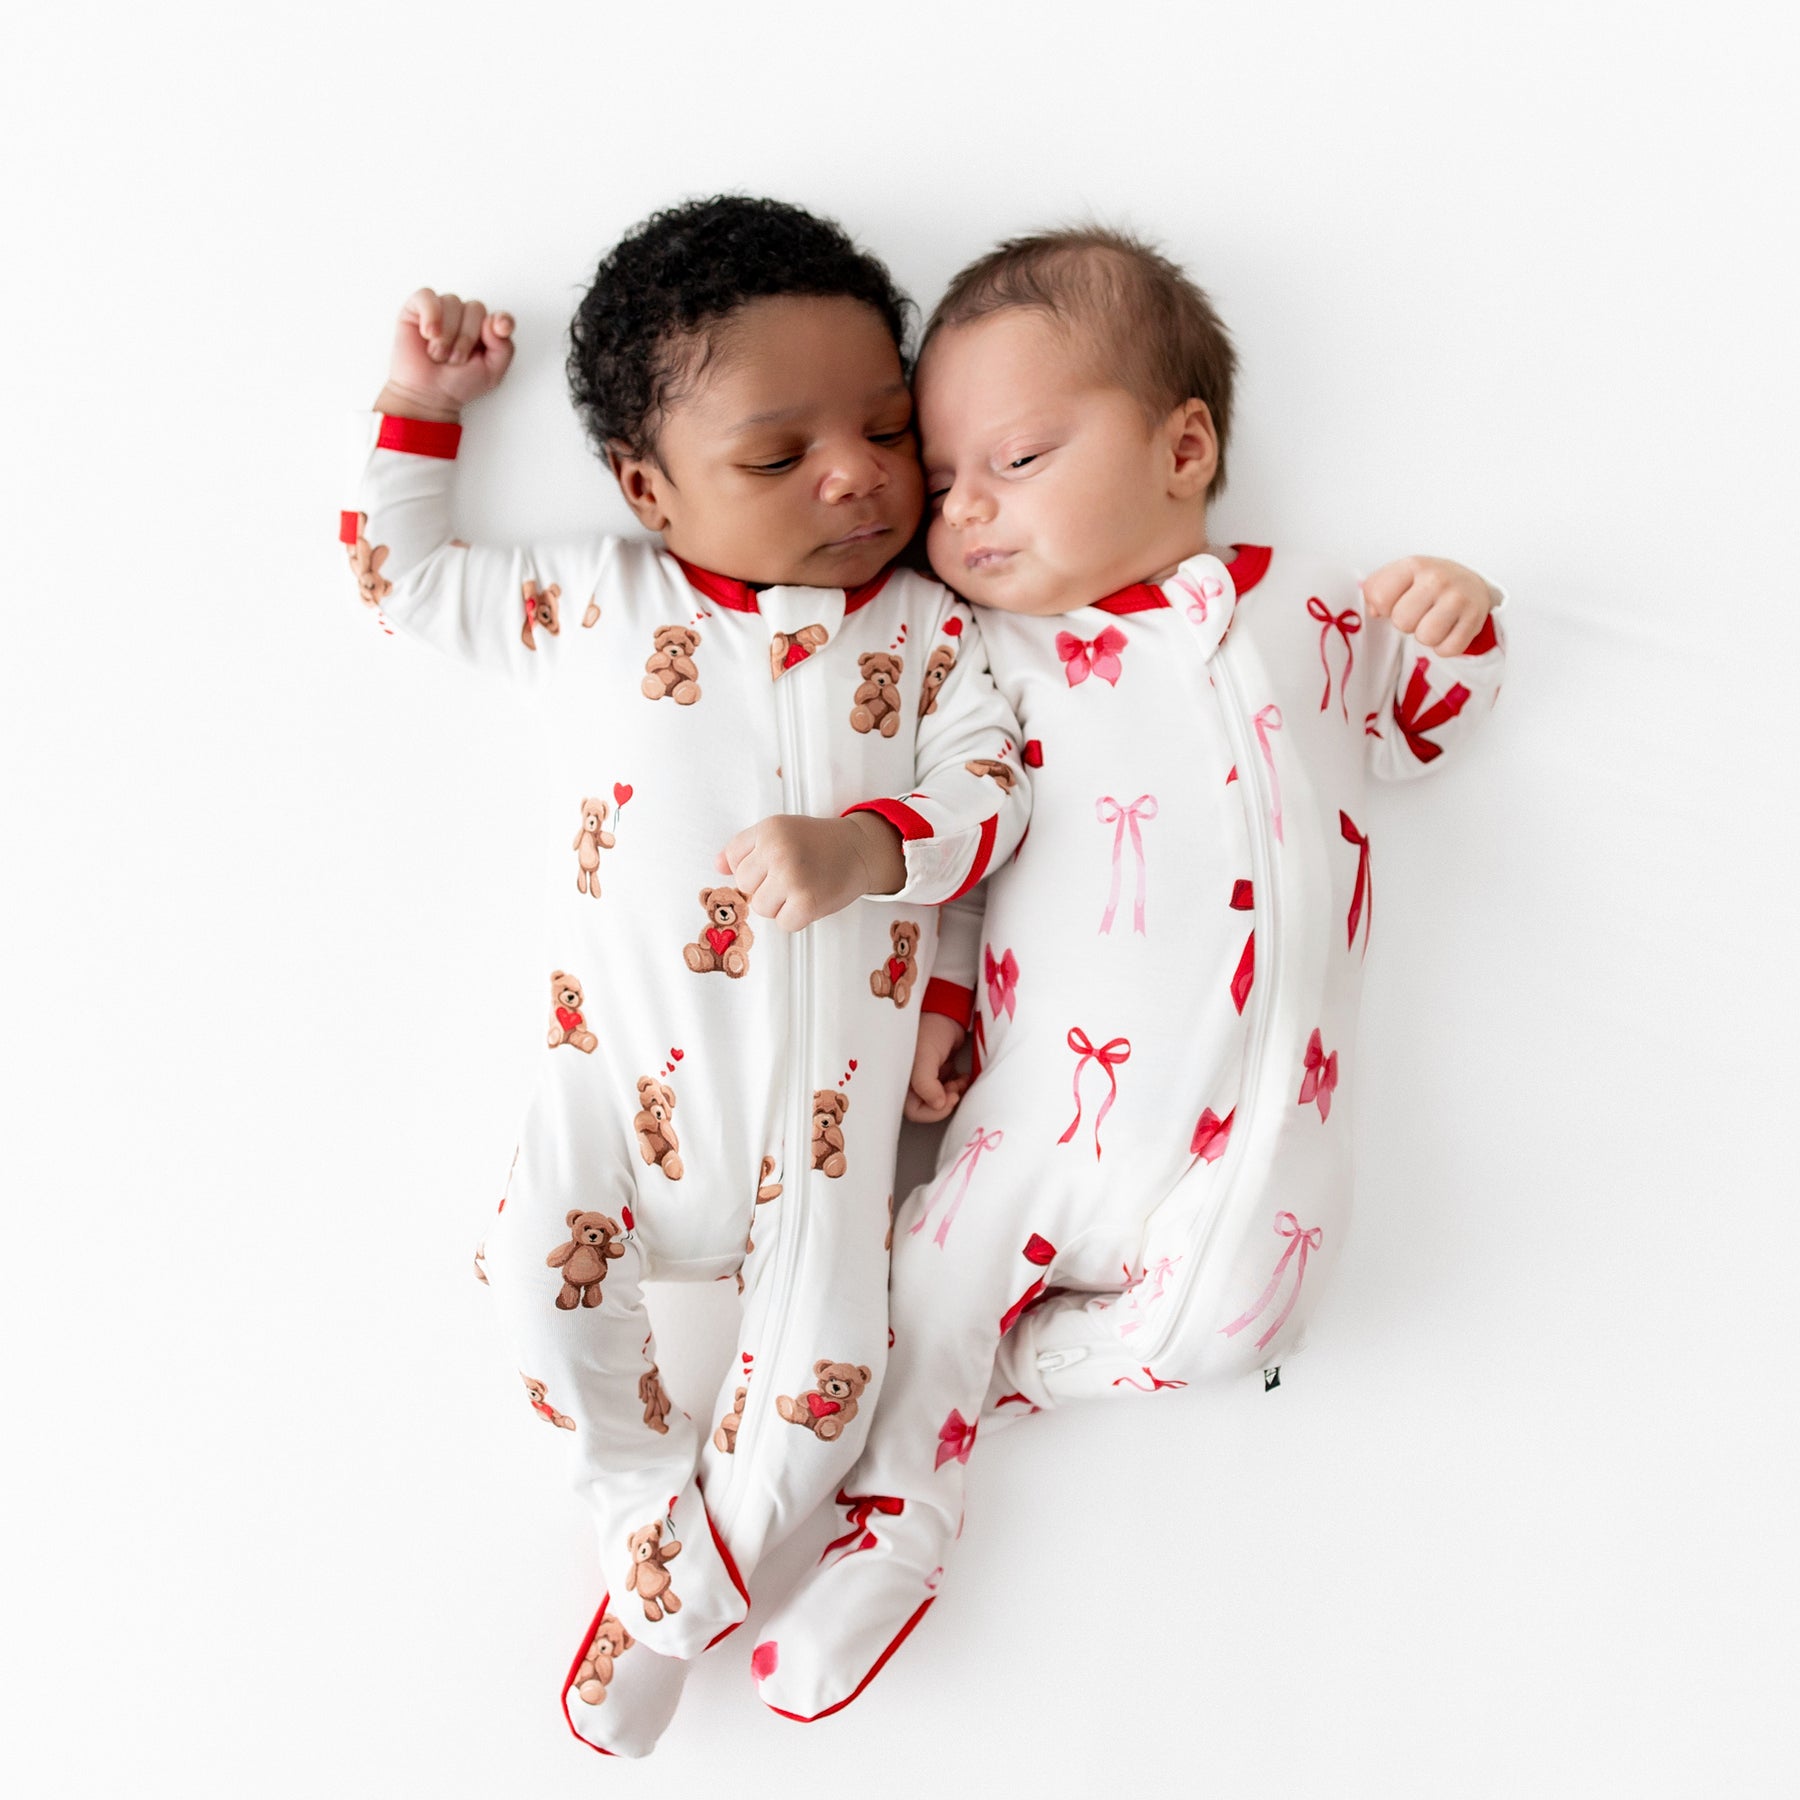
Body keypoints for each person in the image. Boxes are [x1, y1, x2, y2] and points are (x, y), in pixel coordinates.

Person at [751, 225, 1505, 1721]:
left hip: (1262, 1129)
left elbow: (1416, 735)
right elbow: (969, 846)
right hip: (1033, 1116)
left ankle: (1023, 1377)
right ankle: (896, 1532)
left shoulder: (1317, 612)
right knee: (925, 1287)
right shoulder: (988, 666)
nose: (966, 510)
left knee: (1245, 1329)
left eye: (1018, 460)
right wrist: (941, 1004)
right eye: (945, 484)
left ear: (1184, 447)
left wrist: (1453, 620)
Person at [339, 196, 1028, 1756]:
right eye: (779, 459)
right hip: (614, 1096)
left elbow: (995, 796)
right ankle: (650, 1522)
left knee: (830, 1387)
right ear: (648, 489)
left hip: (827, 1144)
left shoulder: (929, 634)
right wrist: (423, 407)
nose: (855, 475)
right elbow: (402, 582)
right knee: (532, 1284)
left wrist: (874, 852)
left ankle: (660, 1613)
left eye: (886, 429)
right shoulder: (594, 604)